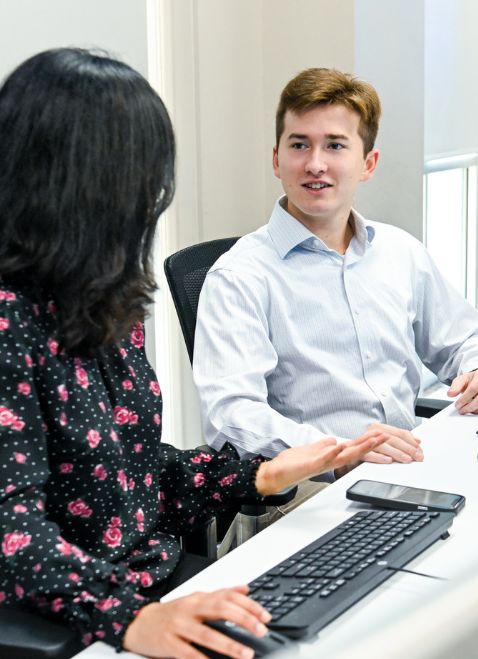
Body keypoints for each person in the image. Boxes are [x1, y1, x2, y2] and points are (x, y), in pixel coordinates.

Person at [0, 50, 387, 658]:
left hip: (148, 586)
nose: (150, 196)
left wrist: (254, 476)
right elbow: (12, 535)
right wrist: (131, 620)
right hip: (72, 623)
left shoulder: (99, 302)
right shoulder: (8, 321)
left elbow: (128, 476)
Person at [194, 67, 478, 473]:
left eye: (335, 145)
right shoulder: (239, 277)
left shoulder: (399, 251)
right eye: (299, 145)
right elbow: (232, 416)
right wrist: (342, 452)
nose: (315, 164)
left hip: (410, 463)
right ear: (277, 160)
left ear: (368, 163)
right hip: (312, 489)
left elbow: (467, 337)